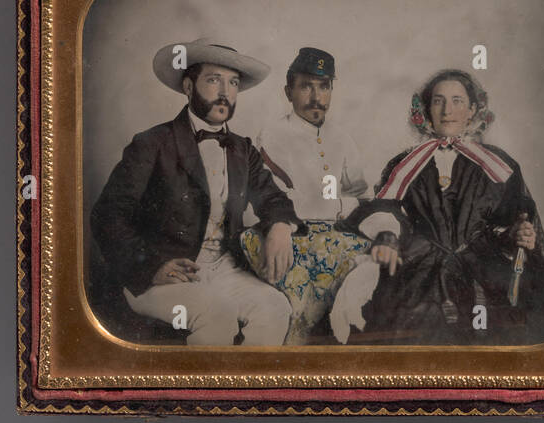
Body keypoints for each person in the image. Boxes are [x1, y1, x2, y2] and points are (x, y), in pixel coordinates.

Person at [90, 37, 299, 346]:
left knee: (275, 307)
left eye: (233, 83)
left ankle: (247, 393)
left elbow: (274, 198)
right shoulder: (152, 143)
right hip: (160, 274)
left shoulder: (242, 149)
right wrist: (151, 266)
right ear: (188, 87)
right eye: (214, 80)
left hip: (224, 269)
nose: (226, 93)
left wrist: (281, 225)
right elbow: (108, 215)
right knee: (217, 314)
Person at [364, 69, 544, 345]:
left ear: (472, 110)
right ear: (426, 109)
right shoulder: (404, 164)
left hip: (484, 262)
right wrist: (387, 238)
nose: (447, 110)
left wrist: (519, 235)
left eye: (457, 101)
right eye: (438, 101)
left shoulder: (498, 164)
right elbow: (385, 211)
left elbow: (514, 219)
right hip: (421, 266)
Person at [242, 47, 401, 343]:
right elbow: (273, 201)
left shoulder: (341, 137)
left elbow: (361, 194)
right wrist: (337, 206)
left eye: (324, 87)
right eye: (306, 87)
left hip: (337, 233)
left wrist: (346, 206)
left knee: (381, 274)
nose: (316, 98)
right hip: (292, 233)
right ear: (288, 92)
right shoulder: (272, 134)